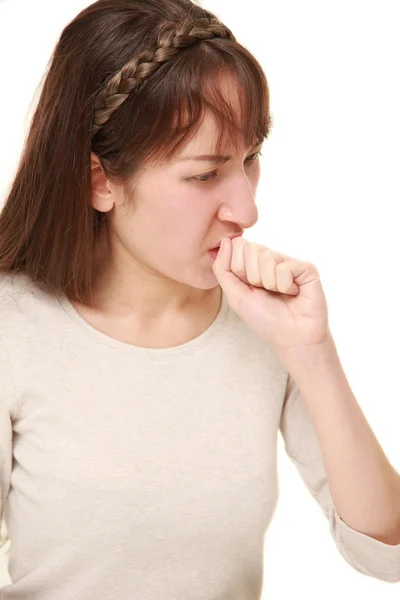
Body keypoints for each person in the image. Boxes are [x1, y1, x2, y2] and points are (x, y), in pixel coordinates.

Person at [0, 1, 398, 598]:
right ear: (100, 181)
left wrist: (311, 352)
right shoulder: (15, 328)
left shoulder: (266, 325)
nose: (247, 209)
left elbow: (386, 553)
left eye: (250, 159)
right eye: (204, 174)